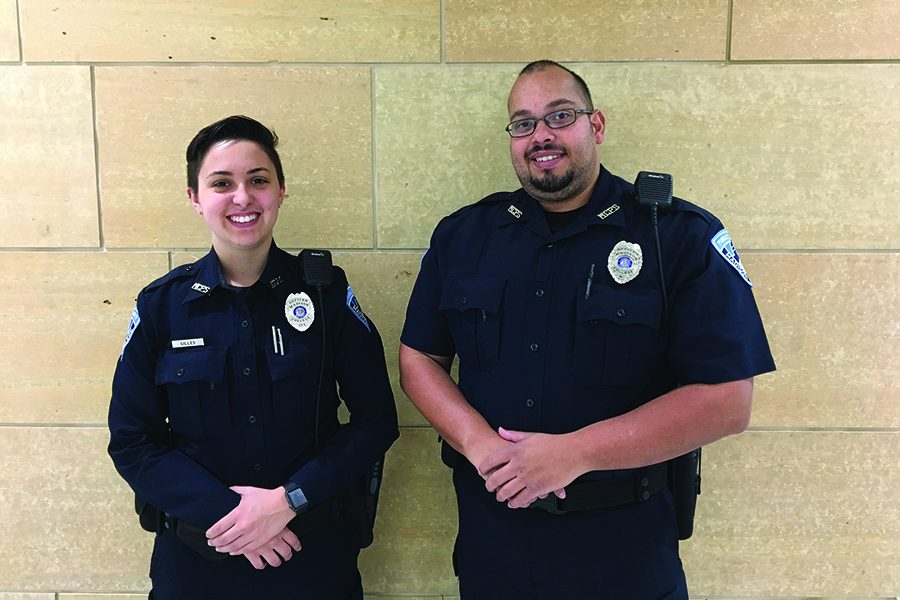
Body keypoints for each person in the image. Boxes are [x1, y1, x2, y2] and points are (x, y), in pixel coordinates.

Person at [399, 60, 776, 599]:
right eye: (523, 123)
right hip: (496, 547)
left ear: (595, 126)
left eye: (560, 116)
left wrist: (576, 453)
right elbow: (419, 358)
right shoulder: (465, 236)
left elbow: (728, 400)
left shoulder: (675, 237)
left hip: (625, 555)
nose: (541, 136)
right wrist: (479, 445)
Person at [108, 115, 399, 600]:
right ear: (195, 198)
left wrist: (288, 501)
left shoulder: (325, 295)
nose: (242, 197)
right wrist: (232, 516)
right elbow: (132, 442)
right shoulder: (162, 306)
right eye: (222, 183)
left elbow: (376, 422)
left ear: (280, 191)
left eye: (258, 180)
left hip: (311, 559)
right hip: (196, 566)